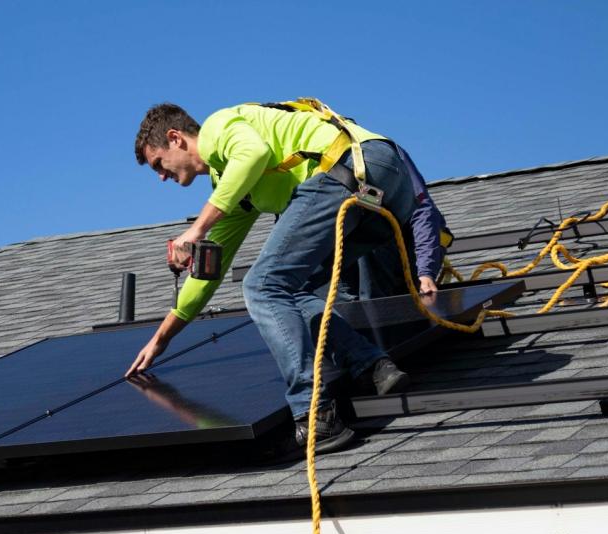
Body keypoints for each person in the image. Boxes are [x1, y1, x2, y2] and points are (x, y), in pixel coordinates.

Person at [126, 101, 444, 454]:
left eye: (158, 163)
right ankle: (372, 364)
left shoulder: (218, 129)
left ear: (176, 138)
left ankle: (316, 415)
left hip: (348, 167)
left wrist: (196, 230)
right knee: (292, 290)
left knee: (262, 285)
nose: (161, 176)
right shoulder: (232, 188)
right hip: (383, 190)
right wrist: (161, 339)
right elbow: (207, 275)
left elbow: (253, 153)